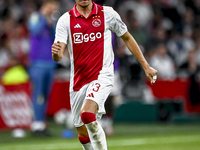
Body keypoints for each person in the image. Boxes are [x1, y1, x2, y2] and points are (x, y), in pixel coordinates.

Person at [52, 0, 157, 149]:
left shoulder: (107, 14)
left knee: (87, 114)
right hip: (78, 80)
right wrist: (56, 54)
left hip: (102, 75)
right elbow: (59, 53)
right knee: (82, 131)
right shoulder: (65, 20)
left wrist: (146, 65)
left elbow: (126, 37)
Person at [28, 0, 59, 135]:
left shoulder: (52, 20)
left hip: (50, 63)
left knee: (45, 95)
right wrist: (43, 16)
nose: (53, 9)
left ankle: (41, 122)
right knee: (38, 94)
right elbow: (35, 31)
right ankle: (36, 124)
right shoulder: (36, 17)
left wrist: (50, 22)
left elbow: (56, 36)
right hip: (37, 63)